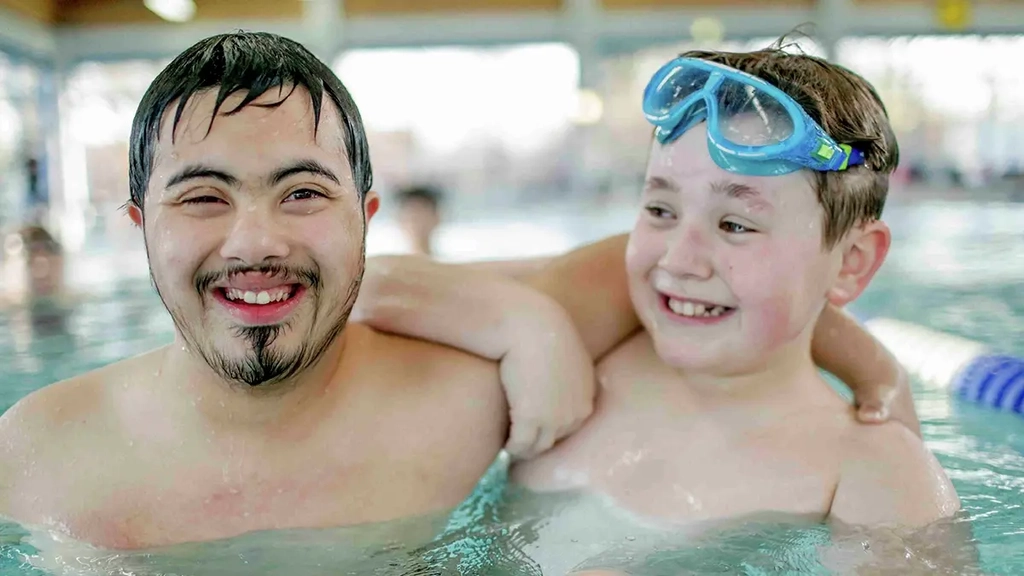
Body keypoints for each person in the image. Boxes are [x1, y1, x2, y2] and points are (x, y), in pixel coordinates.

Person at [0, 31, 912, 556]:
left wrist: (879, 378)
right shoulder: (30, 460)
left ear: (366, 217)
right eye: (203, 197)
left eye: (303, 194)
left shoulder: (464, 393)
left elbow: (706, 279)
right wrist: (527, 322)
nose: (256, 243)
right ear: (134, 225)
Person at [353, 45, 961, 567]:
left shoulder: (871, 473)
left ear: (851, 263)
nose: (680, 258)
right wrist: (530, 326)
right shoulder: (591, 341)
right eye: (660, 210)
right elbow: (372, 285)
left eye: (735, 224)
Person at [394, 185, 443, 256]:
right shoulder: (389, 264)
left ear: (437, 218)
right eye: (411, 214)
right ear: (400, 220)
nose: (416, 222)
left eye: (422, 214)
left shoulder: (450, 264)